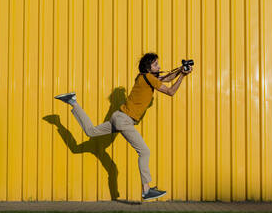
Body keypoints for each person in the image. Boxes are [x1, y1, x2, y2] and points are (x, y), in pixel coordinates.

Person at [54, 53, 193, 200]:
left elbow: (166, 78)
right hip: (124, 120)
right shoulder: (148, 78)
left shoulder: (143, 77)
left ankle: (72, 102)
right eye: (155, 64)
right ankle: (146, 190)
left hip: (118, 117)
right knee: (144, 152)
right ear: (148, 67)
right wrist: (183, 76)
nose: (159, 66)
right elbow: (170, 91)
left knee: (91, 131)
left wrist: (180, 71)